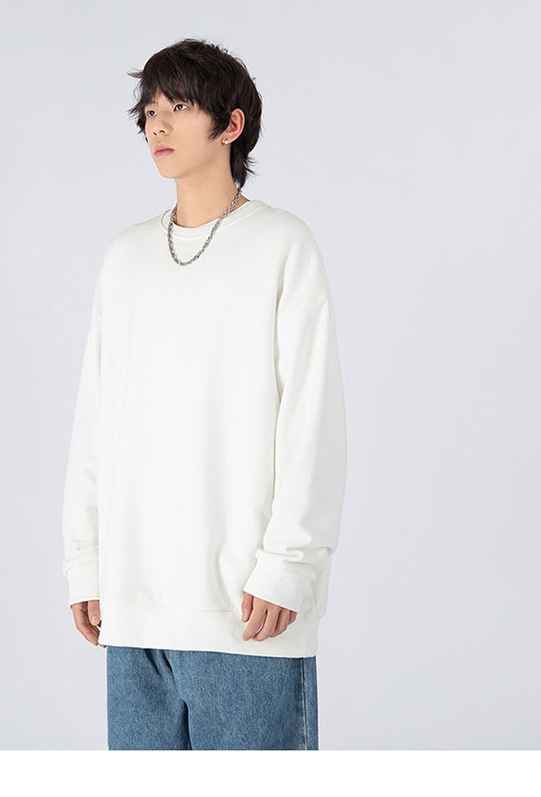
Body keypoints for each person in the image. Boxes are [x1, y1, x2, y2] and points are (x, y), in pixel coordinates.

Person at [61, 37, 347, 750]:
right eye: (149, 110)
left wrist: (291, 564)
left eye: (179, 106)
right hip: (134, 609)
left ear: (231, 124)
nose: (156, 124)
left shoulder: (281, 245)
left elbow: (311, 416)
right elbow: (97, 420)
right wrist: (86, 561)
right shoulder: (126, 258)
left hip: (246, 609)